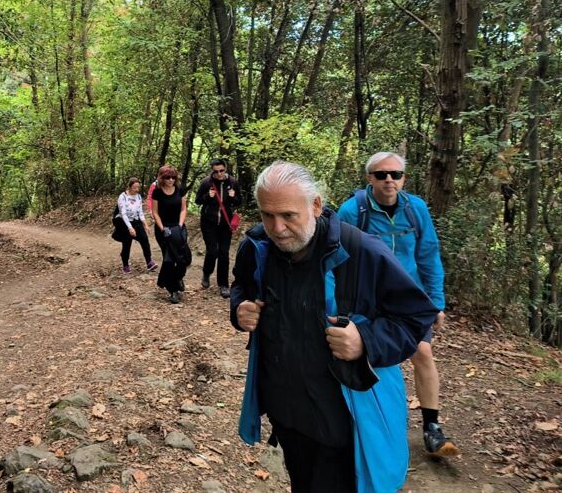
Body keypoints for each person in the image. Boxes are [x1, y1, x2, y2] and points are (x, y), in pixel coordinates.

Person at [231, 161, 438, 493]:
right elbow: (242, 288)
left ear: (315, 205)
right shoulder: (258, 248)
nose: (278, 227)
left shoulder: (361, 252)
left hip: (344, 421)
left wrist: (365, 340)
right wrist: (239, 311)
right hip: (287, 414)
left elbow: (415, 317)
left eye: (288, 215)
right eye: (268, 215)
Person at [337, 152, 458, 458]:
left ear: (404, 177)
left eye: (396, 174)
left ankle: (432, 427)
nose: (389, 179)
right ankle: (369, 426)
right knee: (366, 356)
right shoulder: (353, 211)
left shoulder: (416, 210)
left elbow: (428, 256)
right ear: (370, 179)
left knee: (423, 351)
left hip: (407, 298)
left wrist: (435, 303)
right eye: (381, 174)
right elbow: (335, 258)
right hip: (367, 299)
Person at [194, 158, 242, 298]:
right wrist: (207, 196)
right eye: (216, 171)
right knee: (212, 251)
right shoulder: (206, 182)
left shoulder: (232, 182)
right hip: (209, 222)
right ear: (212, 170)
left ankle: (224, 284)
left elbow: (239, 202)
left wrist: (233, 197)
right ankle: (206, 273)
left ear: (225, 169)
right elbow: (198, 201)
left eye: (221, 170)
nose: (219, 174)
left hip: (225, 223)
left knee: (224, 253)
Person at [151, 164, 189, 303]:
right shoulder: (157, 192)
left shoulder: (180, 190)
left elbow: (183, 209)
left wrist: (179, 225)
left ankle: (176, 278)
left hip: (178, 228)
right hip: (163, 230)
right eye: (168, 177)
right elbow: (155, 212)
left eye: (173, 177)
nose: (171, 180)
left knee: (184, 259)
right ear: (162, 178)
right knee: (168, 260)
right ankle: (173, 290)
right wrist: (162, 228)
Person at [113, 177, 158, 274]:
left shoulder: (138, 197)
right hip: (123, 222)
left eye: (138, 188)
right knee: (127, 243)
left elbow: (140, 212)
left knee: (144, 239)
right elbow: (123, 214)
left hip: (135, 220)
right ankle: (125, 265)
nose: (137, 190)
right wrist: (130, 228)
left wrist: (145, 225)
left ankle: (149, 262)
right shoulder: (122, 197)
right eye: (134, 188)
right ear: (129, 187)